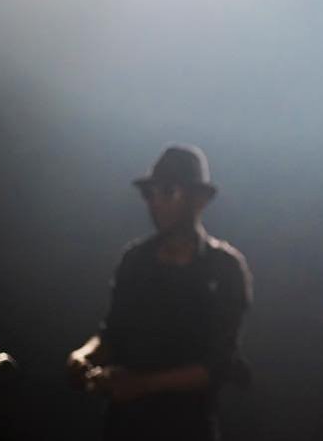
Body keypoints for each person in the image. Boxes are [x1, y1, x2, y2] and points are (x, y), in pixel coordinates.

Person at [67, 144, 252, 441]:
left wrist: (141, 384)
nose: (155, 203)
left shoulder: (225, 268)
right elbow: (112, 332)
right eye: (149, 194)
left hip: (188, 427)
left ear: (198, 199)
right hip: (125, 426)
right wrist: (83, 356)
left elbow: (218, 364)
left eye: (167, 191)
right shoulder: (135, 260)